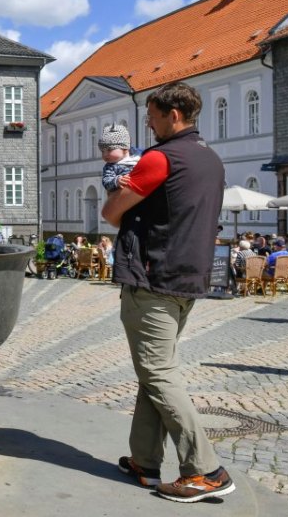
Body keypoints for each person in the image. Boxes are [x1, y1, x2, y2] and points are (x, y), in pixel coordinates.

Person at [102, 81, 234, 503]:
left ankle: (205, 470)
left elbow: (111, 211)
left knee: (158, 373)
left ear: (173, 116)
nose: (148, 122)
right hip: (187, 279)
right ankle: (145, 460)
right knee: (152, 368)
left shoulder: (160, 158)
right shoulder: (211, 159)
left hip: (152, 279)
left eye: (153, 116)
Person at [99, 123, 141, 192]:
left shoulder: (139, 156)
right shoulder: (110, 167)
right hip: (125, 195)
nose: (105, 154)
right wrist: (117, 181)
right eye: (102, 151)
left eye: (109, 150)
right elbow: (106, 181)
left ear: (125, 149)